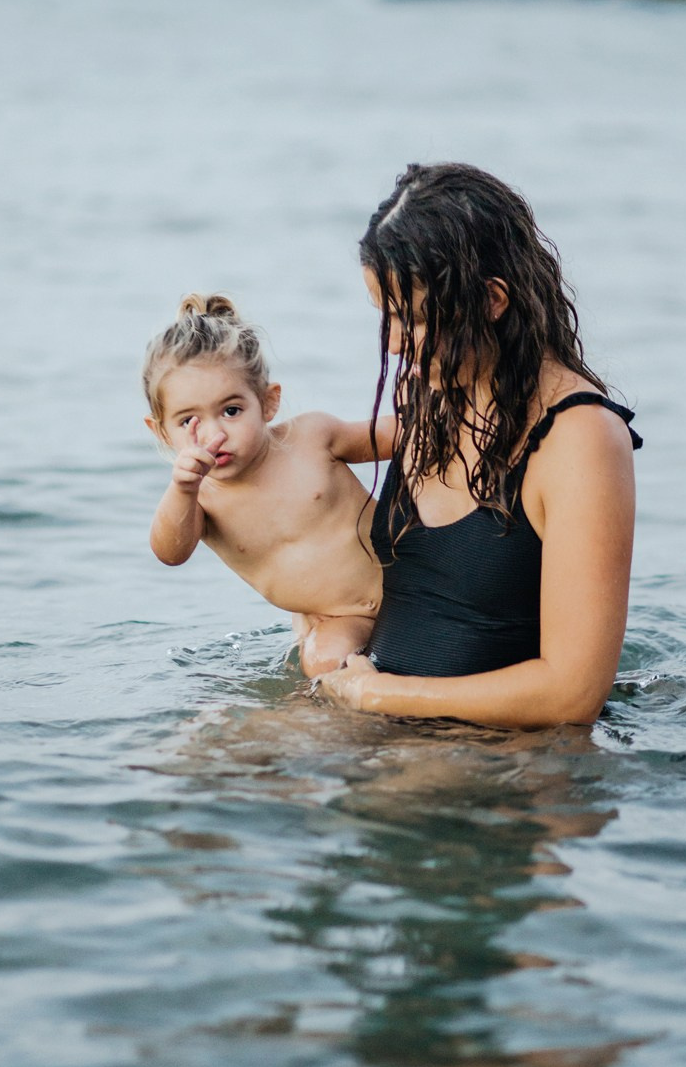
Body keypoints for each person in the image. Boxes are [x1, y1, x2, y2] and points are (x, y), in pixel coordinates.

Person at [317, 162, 642, 730]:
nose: (394, 345)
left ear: (492, 299)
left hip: (496, 758)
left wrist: (379, 696)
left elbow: (571, 694)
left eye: (413, 319)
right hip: (378, 724)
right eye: (384, 318)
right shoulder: (438, 393)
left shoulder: (580, 438)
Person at [144, 294, 395, 677]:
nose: (214, 434)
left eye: (231, 411)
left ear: (268, 402)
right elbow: (170, 553)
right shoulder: (200, 501)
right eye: (187, 421)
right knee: (322, 661)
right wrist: (182, 488)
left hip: (408, 579)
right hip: (339, 617)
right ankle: (359, 725)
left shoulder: (312, 438)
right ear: (161, 432)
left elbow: (398, 436)